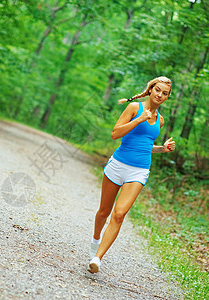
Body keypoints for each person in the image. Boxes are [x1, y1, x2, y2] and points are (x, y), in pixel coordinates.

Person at [88, 76, 176, 274]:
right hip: (118, 165)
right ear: (151, 89)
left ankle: (97, 258)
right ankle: (95, 240)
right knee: (104, 211)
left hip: (139, 170)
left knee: (119, 214)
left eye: (165, 93)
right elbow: (115, 134)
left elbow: (144, 146)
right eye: (158, 90)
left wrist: (162, 148)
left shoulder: (160, 120)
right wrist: (139, 119)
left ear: (167, 97)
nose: (160, 95)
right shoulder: (133, 108)